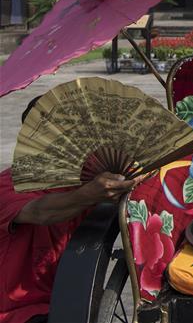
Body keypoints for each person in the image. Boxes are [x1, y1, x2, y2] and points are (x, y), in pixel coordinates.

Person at [1, 98, 140, 323]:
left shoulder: (89, 170)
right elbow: (39, 212)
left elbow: (128, 166)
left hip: (71, 298)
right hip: (19, 309)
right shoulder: (9, 184)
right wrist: (88, 195)